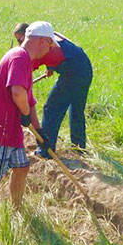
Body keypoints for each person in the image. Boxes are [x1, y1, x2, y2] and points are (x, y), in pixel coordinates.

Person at [0, 21, 56, 219]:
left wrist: (39, 131)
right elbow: (17, 93)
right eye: (50, 46)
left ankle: (16, 210)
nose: (50, 50)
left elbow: (29, 100)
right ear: (42, 41)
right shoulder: (19, 57)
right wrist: (24, 114)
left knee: (22, 168)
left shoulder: (25, 60)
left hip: (10, 131)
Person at [14, 23, 93, 157]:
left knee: (52, 108)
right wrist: (51, 66)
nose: (20, 43)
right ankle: (79, 149)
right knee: (76, 110)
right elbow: (63, 49)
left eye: (20, 39)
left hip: (74, 71)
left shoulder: (35, 49)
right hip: (85, 66)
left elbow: (22, 79)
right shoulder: (47, 37)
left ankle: (46, 150)